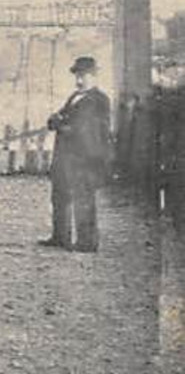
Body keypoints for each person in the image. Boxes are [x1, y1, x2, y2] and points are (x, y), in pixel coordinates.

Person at [45, 56, 112, 253]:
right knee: (60, 195)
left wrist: (61, 124)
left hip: (85, 157)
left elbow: (83, 129)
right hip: (65, 156)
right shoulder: (75, 96)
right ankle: (60, 236)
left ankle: (87, 241)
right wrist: (55, 120)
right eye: (77, 76)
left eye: (84, 76)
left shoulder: (99, 99)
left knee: (83, 198)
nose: (79, 80)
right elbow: (58, 118)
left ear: (94, 76)